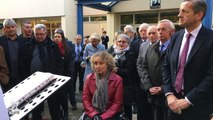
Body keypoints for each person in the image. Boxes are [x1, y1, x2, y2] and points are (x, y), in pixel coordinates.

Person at [162, 0, 213, 120]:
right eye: (180, 11)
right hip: (173, 106)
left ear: (199, 15)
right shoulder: (175, 37)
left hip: (199, 107)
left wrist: (189, 100)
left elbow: (211, 76)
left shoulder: (210, 38)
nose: (179, 15)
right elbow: (166, 67)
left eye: (184, 11)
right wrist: (169, 94)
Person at [22, 24, 62, 120]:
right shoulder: (28, 45)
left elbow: (59, 62)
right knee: (36, 106)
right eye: (37, 34)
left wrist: (57, 77)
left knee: (54, 105)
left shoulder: (53, 45)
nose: (39, 36)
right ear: (34, 33)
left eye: (41, 34)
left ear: (46, 33)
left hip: (51, 80)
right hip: (34, 81)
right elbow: (23, 63)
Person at [142, 19, 175, 120]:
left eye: (163, 29)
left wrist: (163, 88)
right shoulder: (151, 48)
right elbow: (144, 67)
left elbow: (177, 72)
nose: (160, 32)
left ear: (172, 32)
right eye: (158, 29)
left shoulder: (176, 48)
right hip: (153, 96)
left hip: (170, 96)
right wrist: (148, 86)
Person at [82, 51, 123, 120]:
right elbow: (86, 98)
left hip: (111, 113)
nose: (98, 66)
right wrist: (94, 114)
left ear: (108, 64)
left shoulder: (117, 80)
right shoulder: (89, 78)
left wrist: (102, 117)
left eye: (101, 63)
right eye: (95, 63)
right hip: (92, 112)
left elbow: (117, 103)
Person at [111, 34, 135, 120]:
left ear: (128, 43)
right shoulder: (113, 53)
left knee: (127, 107)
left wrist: (117, 70)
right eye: (119, 41)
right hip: (113, 84)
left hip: (126, 85)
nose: (121, 43)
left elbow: (130, 71)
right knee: (115, 107)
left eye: (124, 42)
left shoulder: (131, 54)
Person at [53, 29, 76, 119]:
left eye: (59, 37)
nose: (57, 38)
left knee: (64, 96)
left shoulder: (67, 47)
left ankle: (65, 113)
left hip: (66, 75)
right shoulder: (51, 47)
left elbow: (70, 60)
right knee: (57, 97)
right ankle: (59, 114)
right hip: (55, 76)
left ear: (62, 38)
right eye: (55, 37)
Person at [0, 18, 25, 92]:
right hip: (6, 78)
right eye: (8, 27)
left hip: (21, 77)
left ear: (15, 27)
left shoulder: (23, 41)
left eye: (12, 27)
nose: (11, 29)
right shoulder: (1, 41)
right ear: (4, 29)